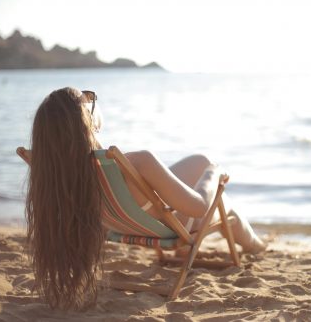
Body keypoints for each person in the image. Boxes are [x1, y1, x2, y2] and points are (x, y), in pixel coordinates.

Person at [25, 87, 266, 309]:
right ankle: (256, 245)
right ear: (86, 121)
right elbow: (199, 207)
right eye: (88, 99)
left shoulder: (62, 173)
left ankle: (245, 241)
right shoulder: (138, 161)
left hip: (130, 223)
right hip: (175, 226)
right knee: (224, 206)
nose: (92, 100)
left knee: (197, 162)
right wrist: (214, 173)